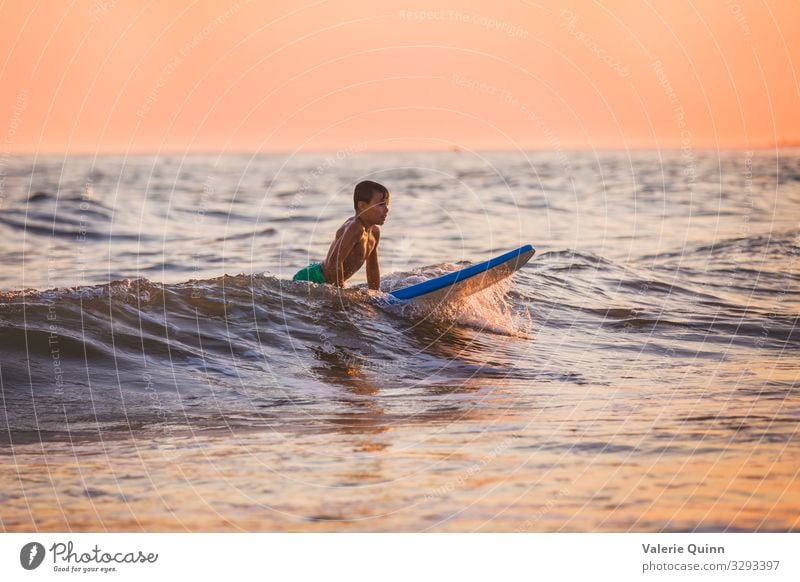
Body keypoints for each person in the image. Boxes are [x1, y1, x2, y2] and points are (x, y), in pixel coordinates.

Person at [293, 180, 390, 290]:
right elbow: (334, 261)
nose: (386, 209)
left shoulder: (375, 232)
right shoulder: (355, 228)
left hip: (327, 279)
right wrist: (340, 294)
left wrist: (375, 294)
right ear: (362, 206)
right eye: (381, 204)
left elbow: (372, 267)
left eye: (387, 204)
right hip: (313, 278)